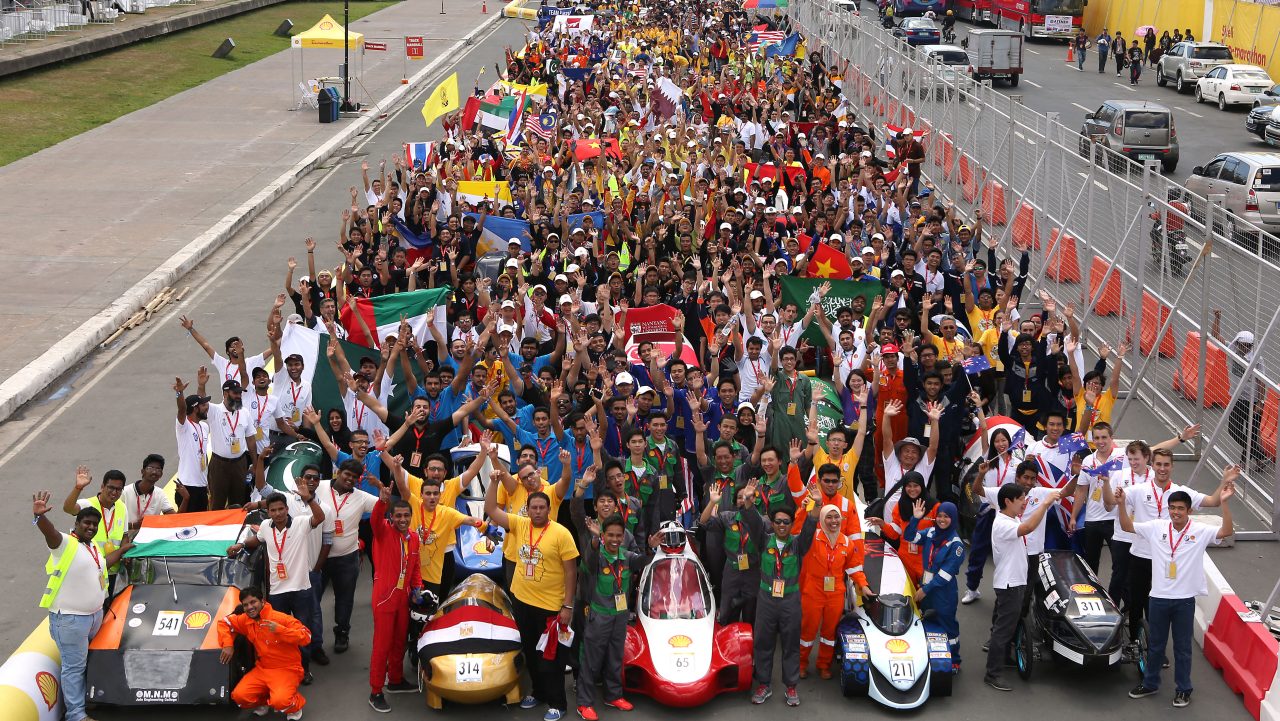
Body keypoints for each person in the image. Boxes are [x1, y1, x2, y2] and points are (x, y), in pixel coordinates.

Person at [1118, 471, 1237, 708]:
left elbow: (1226, 532)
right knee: (1156, 646)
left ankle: (1183, 689)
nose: (1175, 512)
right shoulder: (1156, 527)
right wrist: (1121, 504)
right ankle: (1151, 683)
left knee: (1182, 649)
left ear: (1189, 510)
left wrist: (1223, 504)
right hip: (1159, 598)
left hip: (1184, 601)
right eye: (1172, 508)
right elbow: (1126, 526)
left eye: (1180, 508)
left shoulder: (1200, 531)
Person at [1103, 448, 1229, 663]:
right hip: (1140, 555)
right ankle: (1135, 642)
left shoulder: (1180, 492)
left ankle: (1156, 649)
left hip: (1167, 560)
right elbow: (1110, 503)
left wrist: (1225, 480)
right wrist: (1107, 484)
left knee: (1157, 605)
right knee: (1136, 603)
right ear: (1152, 466)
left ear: (1172, 467)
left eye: (1166, 465)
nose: (1162, 468)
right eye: (1158, 464)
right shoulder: (1138, 489)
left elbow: (1213, 501)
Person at [484, 466, 578, 721]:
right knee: (530, 651)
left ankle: (557, 703)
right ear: (527, 509)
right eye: (533, 508)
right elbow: (492, 510)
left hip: (550, 607)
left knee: (552, 657)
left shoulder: (561, 534)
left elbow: (571, 573)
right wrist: (493, 483)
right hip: (523, 602)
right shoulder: (520, 524)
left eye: (542, 508)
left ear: (549, 510)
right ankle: (537, 692)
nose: (537, 512)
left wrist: (567, 607)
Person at [34, 491, 133, 721]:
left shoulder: (92, 547)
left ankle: (90, 702)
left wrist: (121, 551)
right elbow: (50, 534)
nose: (91, 527)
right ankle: (76, 715)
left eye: (94, 524)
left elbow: (103, 565)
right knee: (74, 667)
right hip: (70, 619)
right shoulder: (65, 543)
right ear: (76, 523)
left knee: (90, 661)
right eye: (86, 523)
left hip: (93, 616)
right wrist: (40, 518)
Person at [225, 488, 326, 679]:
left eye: (281, 509)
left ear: (287, 509)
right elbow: (258, 539)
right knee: (277, 632)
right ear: (269, 512)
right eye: (273, 510)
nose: (278, 513)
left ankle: (304, 669)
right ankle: (284, 667)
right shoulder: (265, 526)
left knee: (300, 630)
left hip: (301, 589)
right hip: (278, 591)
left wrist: (310, 499)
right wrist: (242, 545)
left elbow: (319, 518)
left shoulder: (300, 522)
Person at [574, 513, 654, 721]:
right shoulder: (596, 556)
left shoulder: (626, 556)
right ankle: (584, 703)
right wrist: (593, 539)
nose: (615, 540)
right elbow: (588, 560)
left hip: (620, 616)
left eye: (618, 535)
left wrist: (651, 548)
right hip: (599, 616)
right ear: (603, 535)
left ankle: (613, 695)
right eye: (610, 535)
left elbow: (643, 562)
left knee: (615, 657)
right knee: (591, 661)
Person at [984, 483, 1062, 692]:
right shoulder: (1003, 523)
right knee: (1003, 630)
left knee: (1010, 625)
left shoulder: (1012, 518)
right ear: (1008, 501)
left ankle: (1005, 659)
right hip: (1009, 584)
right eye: (1020, 499)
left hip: (1015, 581)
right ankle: (993, 673)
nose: (1024, 503)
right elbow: (1027, 528)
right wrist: (1045, 504)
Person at [748, 489, 817, 707]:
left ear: (790, 523)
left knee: (790, 643)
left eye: (786, 522)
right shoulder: (763, 540)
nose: (781, 525)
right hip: (766, 600)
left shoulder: (797, 545)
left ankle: (791, 686)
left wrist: (816, 505)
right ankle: (764, 684)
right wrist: (749, 500)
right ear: (772, 523)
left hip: (790, 601)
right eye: (777, 521)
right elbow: (751, 521)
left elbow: (809, 529)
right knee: (763, 642)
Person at [795, 497, 867, 680]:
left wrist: (863, 585)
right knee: (807, 631)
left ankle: (824, 665)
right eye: (829, 517)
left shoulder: (846, 543)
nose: (834, 521)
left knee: (829, 632)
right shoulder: (812, 536)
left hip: (835, 592)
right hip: (813, 591)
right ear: (821, 518)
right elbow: (797, 530)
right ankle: (801, 664)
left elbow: (854, 568)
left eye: (837, 517)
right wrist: (803, 510)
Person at [367, 483, 423, 712]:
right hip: (384, 599)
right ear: (391, 517)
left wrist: (418, 588)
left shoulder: (413, 537)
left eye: (406, 515)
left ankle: (396, 679)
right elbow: (374, 520)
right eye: (398, 515)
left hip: (403, 598)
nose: (402, 519)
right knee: (382, 646)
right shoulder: (383, 531)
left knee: (400, 641)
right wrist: (382, 501)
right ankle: (376, 690)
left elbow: (416, 566)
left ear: (411, 517)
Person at [217, 586, 311, 720]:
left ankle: (294, 707)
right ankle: (264, 702)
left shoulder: (280, 618)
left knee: (280, 702)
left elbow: (306, 636)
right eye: (245, 605)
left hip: (287, 669)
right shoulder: (245, 620)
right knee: (239, 697)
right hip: (263, 669)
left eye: (253, 602)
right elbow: (224, 623)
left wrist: (280, 630)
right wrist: (227, 644)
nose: (250, 607)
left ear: (262, 601)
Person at [905, 500, 965, 670]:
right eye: (939, 516)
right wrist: (915, 519)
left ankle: (954, 659)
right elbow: (910, 537)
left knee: (947, 625)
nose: (941, 520)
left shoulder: (956, 545)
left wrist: (925, 589)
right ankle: (928, 655)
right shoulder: (931, 532)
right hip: (927, 587)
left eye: (946, 517)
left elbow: (945, 575)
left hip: (943, 592)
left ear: (953, 519)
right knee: (927, 621)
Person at [61, 466, 128, 597]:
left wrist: (125, 553)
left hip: (112, 571)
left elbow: (124, 535)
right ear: (102, 487)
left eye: (118, 489)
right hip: (89, 570)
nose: (114, 492)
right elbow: (68, 508)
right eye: (111, 487)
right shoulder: (87, 504)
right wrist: (78, 488)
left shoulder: (122, 507)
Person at [174, 375, 212, 512]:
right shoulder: (183, 426)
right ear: (195, 408)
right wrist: (180, 393)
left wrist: (206, 482)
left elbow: (204, 456)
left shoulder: (204, 427)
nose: (207, 407)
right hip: (187, 487)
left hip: (201, 486)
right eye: (203, 405)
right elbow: (182, 409)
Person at [121, 454, 184, 528]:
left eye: (158, 469)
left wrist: (185, 498)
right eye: (150, 468)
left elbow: (175, 519)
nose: (154, 472)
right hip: (126, 537)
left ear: (161, 474)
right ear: (142, 471)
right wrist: (134, 525)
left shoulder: (160, 493)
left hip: (150, 537)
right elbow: (113, 522)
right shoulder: (125, 492)